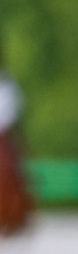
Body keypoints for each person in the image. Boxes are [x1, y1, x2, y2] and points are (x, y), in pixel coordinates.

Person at [0, 70, 32, 236]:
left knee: (14, 166)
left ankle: (17, 213)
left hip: (3, 134)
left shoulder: (7, 85)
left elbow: (11, 113)